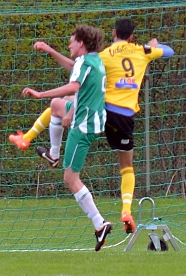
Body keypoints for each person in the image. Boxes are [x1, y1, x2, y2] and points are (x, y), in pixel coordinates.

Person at [10, 18, 173, 235]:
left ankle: (41, 146)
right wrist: (152, 46)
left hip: (102, 112)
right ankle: (126, 210)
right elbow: (169, 51)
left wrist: (66, 106)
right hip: (124, 117)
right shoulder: (142, 52)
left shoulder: (104, 55)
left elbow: (77, 73)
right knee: (127, 167)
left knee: (60, 108)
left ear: (113, 33)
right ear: (132, 36)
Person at [16, 25, 114, 251]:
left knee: (70, 179)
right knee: (57, 106)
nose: (69, 45)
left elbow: (74, 84)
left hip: (84, 126)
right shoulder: (94, 60)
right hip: (91, 117)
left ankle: (99, 224)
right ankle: (53, 154)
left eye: (71, 42)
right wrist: (50, 51)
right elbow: (73, 68)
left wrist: (40, 93)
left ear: (81, 43)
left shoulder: (85, 63)